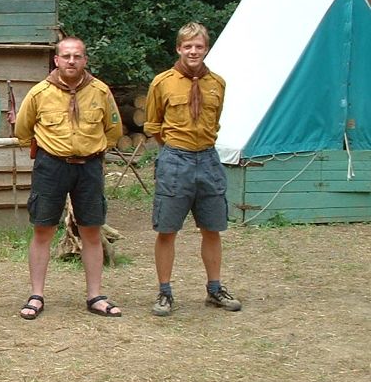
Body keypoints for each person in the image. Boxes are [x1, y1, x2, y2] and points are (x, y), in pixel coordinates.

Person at [13, 36, 123, 319]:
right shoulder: (39, 93)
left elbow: (113, 130)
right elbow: (23, 130)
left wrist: (93, 149)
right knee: (43, 229)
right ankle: (36, 295)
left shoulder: (100, 91)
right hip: (51, 166)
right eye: (66, 56)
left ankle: (95, 295)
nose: (71, 61)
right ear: (56, 60)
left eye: (77, 56)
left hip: (89, 167)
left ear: (85, 60)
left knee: (91, 230)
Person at [144, 22, 241, 316]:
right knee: (167, 230)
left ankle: (215, 289)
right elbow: (153, 125)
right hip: (176, 160)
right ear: (178, 48)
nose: (193, 51)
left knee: (212, 228)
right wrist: (174, 150)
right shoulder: (162, 83)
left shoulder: (217, 83)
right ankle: (164, 292)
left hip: (209, 160)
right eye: (188, 46)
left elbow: (216, 121)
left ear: (206, 49)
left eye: (199, 46)